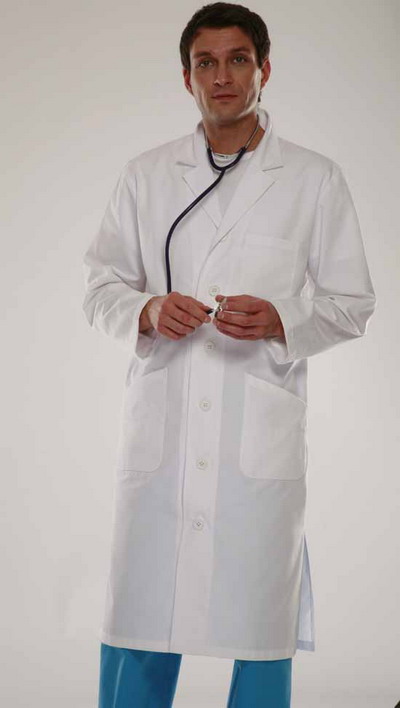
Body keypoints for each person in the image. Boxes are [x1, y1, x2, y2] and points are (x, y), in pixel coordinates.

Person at [81, 3, 376, 706]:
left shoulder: (313, 178)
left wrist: (283, 318)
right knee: (142, 623)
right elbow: (100, 287)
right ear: (186, 78)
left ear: (264, 69)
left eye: (238, 59)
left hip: (256, 446)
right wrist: (148, 309)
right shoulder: (146, 175)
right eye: (205, 63)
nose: (222, 76)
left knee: (259, 631)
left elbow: (351, 303)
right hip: (163, 438)